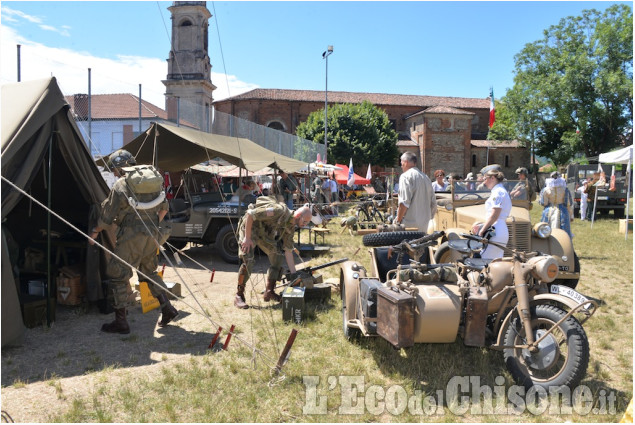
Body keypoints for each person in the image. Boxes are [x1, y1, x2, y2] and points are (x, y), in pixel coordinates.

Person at [89, 150, 178, 334]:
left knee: (117, 274)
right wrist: (150, 227)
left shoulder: (121, 185)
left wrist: (95, 232)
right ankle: (167, 308)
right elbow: (163, 209)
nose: (113, 173)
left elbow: (107, 216)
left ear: (118, 168)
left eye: (113, 170)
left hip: (130, 237)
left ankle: (121, 322)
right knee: (148, 272)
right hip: (152, 235)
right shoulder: (153, 181)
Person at [234, 200, 312, 309]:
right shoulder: (278, 211)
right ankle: (239, 295)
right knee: (249, 260)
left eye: (307, 223)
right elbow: (250, 215)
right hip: (250, 229)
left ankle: (269, 291)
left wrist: (294, 275)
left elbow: (288, 251)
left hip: (263, 233)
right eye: (305, 221)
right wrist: (247, 238)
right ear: (298, 215)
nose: (305, 225)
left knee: (278, 256)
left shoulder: (291, 227)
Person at [471, 167, 512, 259]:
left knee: (482, 261)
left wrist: (481, 231)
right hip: (498, 228)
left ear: (492, 178)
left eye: (485, 179)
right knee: (495, 262)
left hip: (495, 230)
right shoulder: (499, 191)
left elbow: (494, 215)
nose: (484, 182)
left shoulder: (498, 192)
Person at [393, 152, 437, 232]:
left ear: (405, 163)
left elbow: (404, 203)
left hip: (409, 226)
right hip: (425, 226)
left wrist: (398, 222)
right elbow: (433, 204)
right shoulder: (426, 177)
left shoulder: (405, 176)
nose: (401, 166)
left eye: (401, 163)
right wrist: (428, 219)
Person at [539, 171, 573, 238]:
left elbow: (544, 203)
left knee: (545, 228)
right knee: (564, 232)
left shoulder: (546, 190)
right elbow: (568, 203)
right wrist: (571, 215)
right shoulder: (564, 189)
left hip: (549, 210)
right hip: (562, 210)